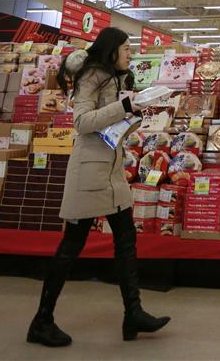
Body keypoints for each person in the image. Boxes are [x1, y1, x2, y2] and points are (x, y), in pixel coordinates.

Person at [27, 27, 170, 347]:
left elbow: (112, 123)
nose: (130, 53)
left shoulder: (118, 78)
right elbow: (82, 122)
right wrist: (124, 107)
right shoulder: (91, 77)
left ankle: (133, 312)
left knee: (126, 240)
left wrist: (136, 112)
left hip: (112, 170)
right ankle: (41, 320)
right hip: (89, 172)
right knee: (71, 246)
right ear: (111, 50)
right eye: (126, 48)